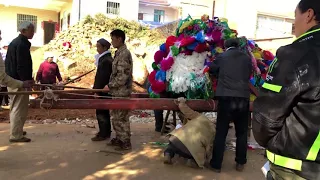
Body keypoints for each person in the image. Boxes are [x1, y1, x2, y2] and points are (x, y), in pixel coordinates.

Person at [252, 0, 320, 179]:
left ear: (309, 15)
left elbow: (266, 119)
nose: (293, 23)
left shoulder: (296, 54)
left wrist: (274, 143)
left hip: (296, 169)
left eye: (295, 15)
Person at [208, 38, 252, 172]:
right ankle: (240, 163)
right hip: (243, 98)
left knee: (221, 132)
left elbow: (212, 70)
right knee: (242, 132)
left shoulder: (222, 57)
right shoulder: (246, 58)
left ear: (225, 46)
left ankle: (216, 165)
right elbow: (249, 73)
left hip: (226, 98)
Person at [164, 97, 215, 168]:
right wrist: (205, 158)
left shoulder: (199, 116)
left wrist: (181, 101)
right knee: (198, 152)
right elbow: (209, 149)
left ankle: (168, 153)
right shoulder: (213, 132)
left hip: (175, 140)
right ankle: (191, 160)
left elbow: (185, 110)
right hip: (190, 150)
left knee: (172, 145)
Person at [5, 21, 35, 143]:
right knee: (19, 108)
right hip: (19, 81)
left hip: (13, 80)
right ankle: (16, 135)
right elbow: (21, 66)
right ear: (23, 31)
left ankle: (17, 130)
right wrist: (25, 82)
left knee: (15, 107)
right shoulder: (21, 45)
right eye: (31, 30)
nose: (33, 32)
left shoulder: (15, 42)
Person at [104, 29, 133, 150]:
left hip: (121, 92)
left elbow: (122, 76)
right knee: (116, 117)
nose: (111, 42)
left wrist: (110, 85)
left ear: (119, 39)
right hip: (117, 92)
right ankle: (119, 138)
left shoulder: (124, 53)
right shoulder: (119, 53)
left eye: (113, 39)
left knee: (121, 118)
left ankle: (125, 141)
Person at [91, 38, 113, 141]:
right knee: (104, 111)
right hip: (105, 89)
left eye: (99, 47)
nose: (97, 49)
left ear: (104, 47)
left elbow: (101, 78)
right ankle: (105, 132)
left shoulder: (105, 60)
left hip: (103, 90)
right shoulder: (106, 59)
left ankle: (104, 133)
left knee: (101, 111)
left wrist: (96, 91)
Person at [0, 33, 10, 107]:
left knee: (5, 90)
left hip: (5, 74)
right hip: (3, 74)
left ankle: (5, 102)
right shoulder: (4, 52)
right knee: (4, 90)